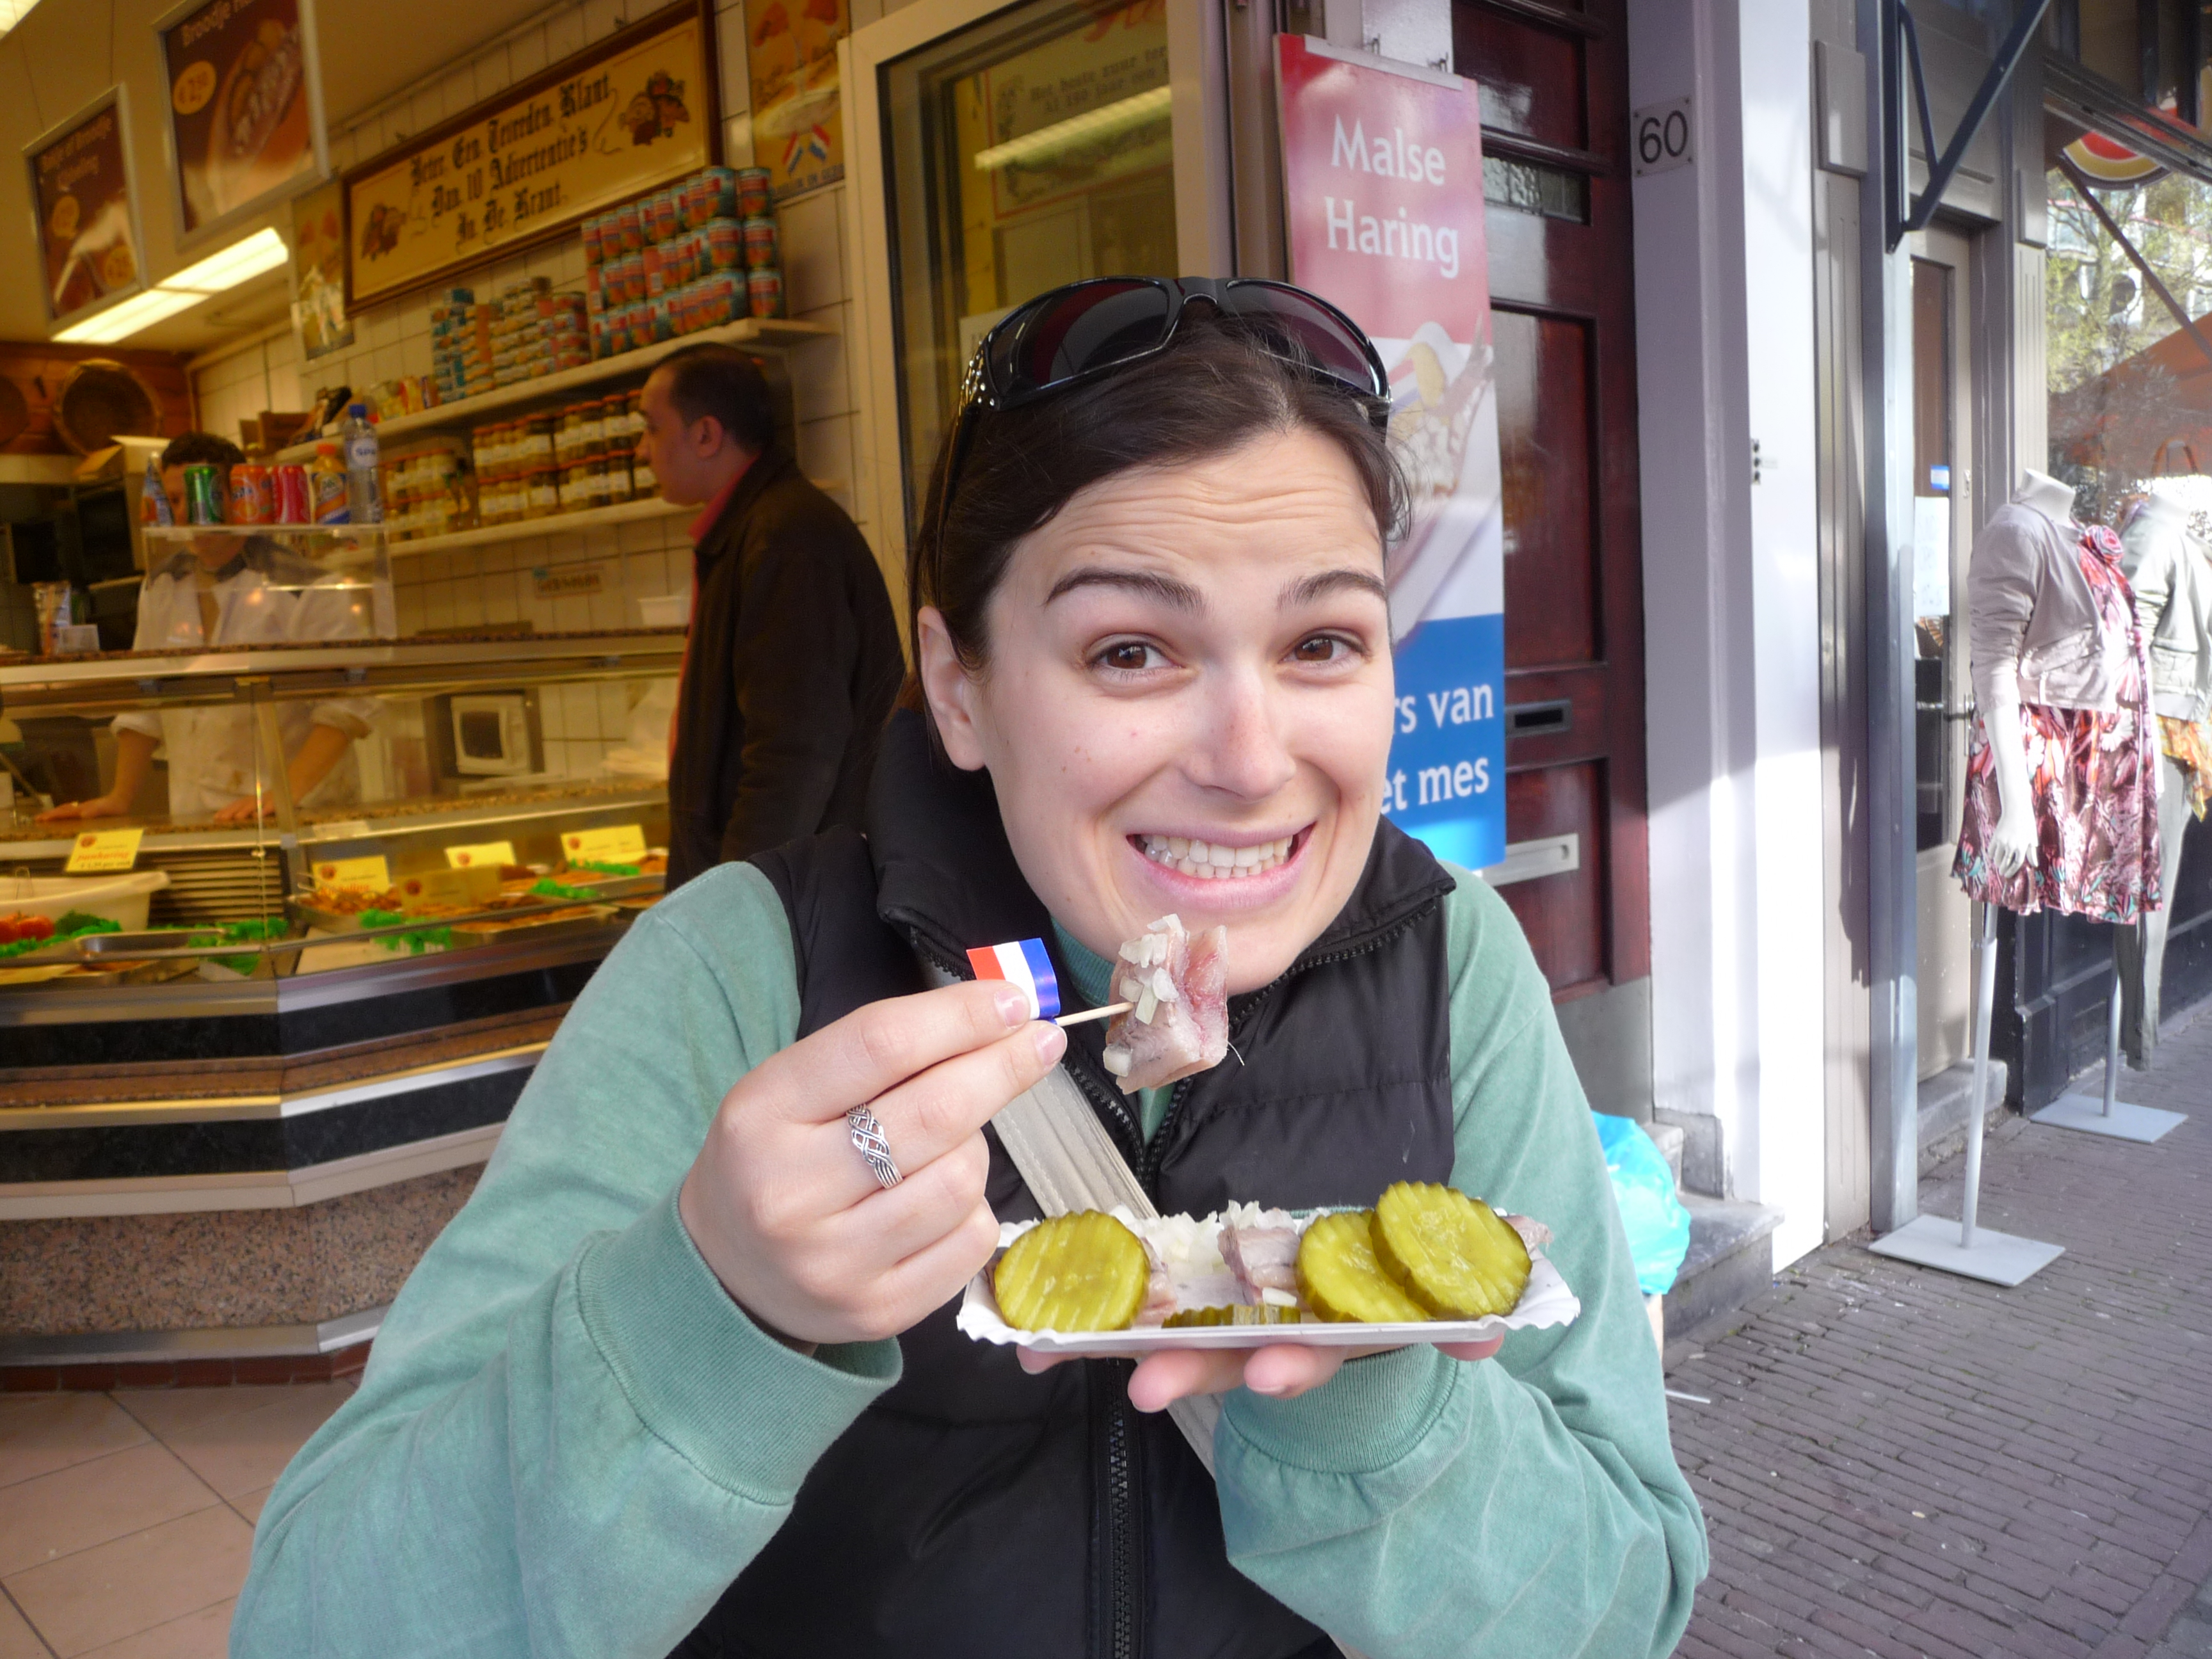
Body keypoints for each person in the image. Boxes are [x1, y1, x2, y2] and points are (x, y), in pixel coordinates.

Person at [232, 278, 1705, 1658]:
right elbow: (321, 1618)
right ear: (957, 686)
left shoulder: (1452, 962)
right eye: (1129, 651)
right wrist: (714, 1308)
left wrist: (1374, 1404)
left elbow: (1624, 1602)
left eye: (1322, 641)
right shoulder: (733, 977)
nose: (1251, 761)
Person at [633, 342, 902, 888]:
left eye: (652, 429)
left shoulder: (785, 536)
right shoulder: (756, 529)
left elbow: (794, 751)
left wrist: (738, 898)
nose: (642, 451)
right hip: (785, 882)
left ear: (706, 435)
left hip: (800, 893)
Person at [37, 432, 378, 828]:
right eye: (177, 501)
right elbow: (147, 696)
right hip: (195, 813)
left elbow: (347, 706)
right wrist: (119, 796)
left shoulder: (305, 586)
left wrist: (283, 793)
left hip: (299, 814)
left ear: (238, 494)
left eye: (200, 494)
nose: (187, 514)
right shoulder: (162, 585)